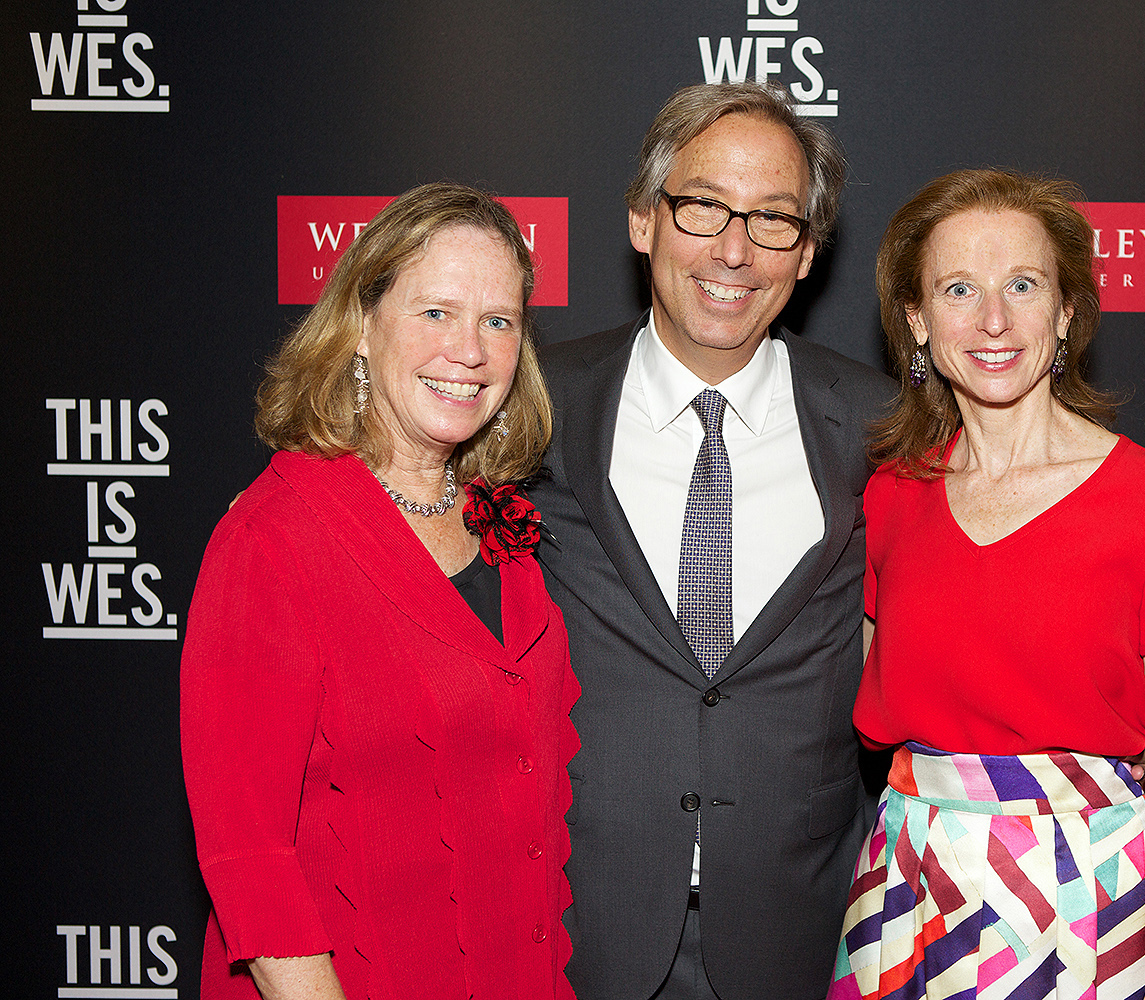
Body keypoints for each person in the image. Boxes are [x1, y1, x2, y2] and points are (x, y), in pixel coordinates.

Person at [829, 170, 1145, 1000]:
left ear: (1065, 311)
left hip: (1088, 899)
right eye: (958, 289)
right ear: (917, 320)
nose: (993, 320)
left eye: (1023, 285)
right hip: (911, 894)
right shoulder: (892, 498)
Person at [528, 82, 894, 1000]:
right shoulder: (531, 406)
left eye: (773, 220)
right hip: (573, 922)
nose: (734, 250)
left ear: (807, 254)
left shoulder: (881, 427)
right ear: (645, 221)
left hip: (801, 932)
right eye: (702, 209)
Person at [180, 183, 578, 1000]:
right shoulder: (270, 542)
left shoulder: (501, 526)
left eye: (498, 321)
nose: (469, 350)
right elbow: (248, 857)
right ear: (361, 326)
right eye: (435, 312)